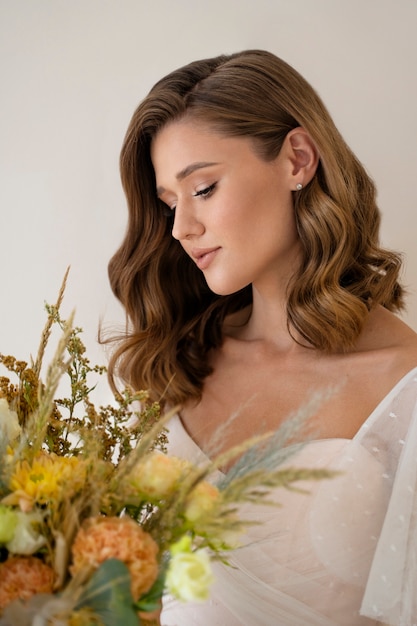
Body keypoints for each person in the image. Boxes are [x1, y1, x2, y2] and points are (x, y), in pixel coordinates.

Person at [106, 50, 417, 625]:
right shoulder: (177, 362)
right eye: (169, 204)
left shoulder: (404, 382)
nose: (180, 229)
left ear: (297, 159)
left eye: (202, 189)